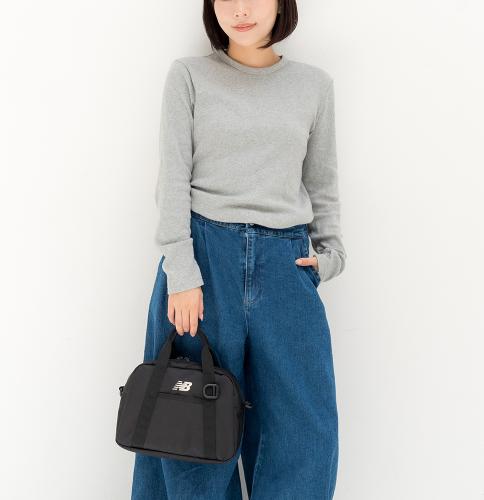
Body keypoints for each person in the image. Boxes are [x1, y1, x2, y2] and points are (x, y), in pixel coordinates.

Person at [131, 1, 346, 498]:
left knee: (304, 431)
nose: (240, 9)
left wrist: (330, 256)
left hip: (287, 264)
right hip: (204, 263)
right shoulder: (189, 76)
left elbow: (322, 181)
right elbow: (172, 182)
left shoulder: (314, 86)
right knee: (189, 429)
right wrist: (182, 272)